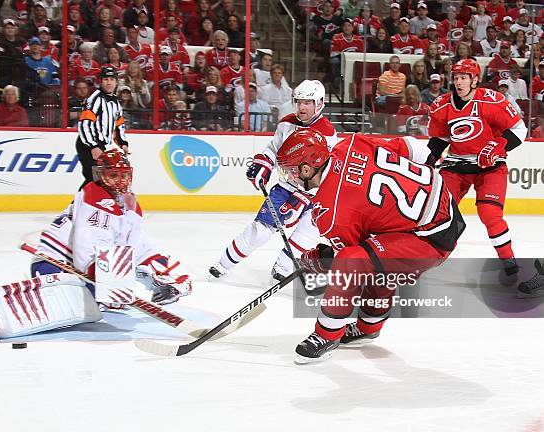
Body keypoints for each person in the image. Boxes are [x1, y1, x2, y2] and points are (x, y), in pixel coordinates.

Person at [0, 150, 193, 341]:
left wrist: (171, 279)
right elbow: (86, 246)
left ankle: (4, 311)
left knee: (94, 307)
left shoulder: (130, 207)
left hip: (90, 271)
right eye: (112, 175)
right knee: (82, 305)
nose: (119, 181)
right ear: (100, 174)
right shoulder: (94, 195)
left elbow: (138, 247)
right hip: (56, 263)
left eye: (123, 175)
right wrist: (108, 278)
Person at [274, 131, 464, 364]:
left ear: (306, 169)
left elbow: (347, 260)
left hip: (431, 238)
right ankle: (368, 327)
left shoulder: (329, 213)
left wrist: (317, 260)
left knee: (354, 260)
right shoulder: (351, 143)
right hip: (443, 199)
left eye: (291, 171)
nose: (290, 177)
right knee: (377, 256)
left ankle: (327, 334)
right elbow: (413, 147)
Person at [209, 80, 339, 281]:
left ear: (319, 104)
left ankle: (283, 268)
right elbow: (273, 149)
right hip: (285, 187)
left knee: (308, 233)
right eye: (299, 102)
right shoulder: (287, 122)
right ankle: (223, 264)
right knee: (260, 230)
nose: (302, 107)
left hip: (314, 194)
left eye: (307, 103)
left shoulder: (327, 132)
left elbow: (324, 169)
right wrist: (264, 163)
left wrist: (307, 194)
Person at [427, 59, 528, 275]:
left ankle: (509, 262)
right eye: (456, 78)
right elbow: (438, 140)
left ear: (475, 80)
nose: (459, 82)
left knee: (490, 214)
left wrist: (498, 145)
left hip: (490, 166)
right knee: (440, 213)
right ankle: (426, 261)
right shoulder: (442, 105)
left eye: (464, 77)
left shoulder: (492, 100)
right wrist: (428, 160)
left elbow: (519, 130)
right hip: (456, 166)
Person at [76, 67, 129, 188]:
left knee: (102, 178)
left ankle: (81, 205)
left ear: (116, 82)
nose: (109, 82)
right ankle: (75, 206)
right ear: (101, 81)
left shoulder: (115, 102)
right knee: (95, 178)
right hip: (87, 145)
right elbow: (85, 124)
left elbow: (119, 125)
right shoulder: (95, 99)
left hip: (101, 145)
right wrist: (92, 146)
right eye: (106, 79)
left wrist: (123, 143)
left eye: (111, 79)